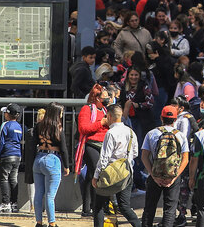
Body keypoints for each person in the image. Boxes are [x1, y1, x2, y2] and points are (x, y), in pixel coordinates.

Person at [141, 105, 190, 227]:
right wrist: (174, 177)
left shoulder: (151, 134)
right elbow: (185, 159)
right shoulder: (181, 136)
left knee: (149, 208)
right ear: (175, 120)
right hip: (173, 176)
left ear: (161, 118)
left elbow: (144, 157)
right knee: (170, 210)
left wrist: (153, 175)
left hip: (155, 175)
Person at [23, 103, 70, 227]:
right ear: (56, 113)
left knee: (38, 193)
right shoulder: (58, 127)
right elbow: (64, 149)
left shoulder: (39, 125)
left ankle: (38, 222)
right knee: (50, 196)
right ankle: (52, 223)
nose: (61, 114)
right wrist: (67, 166)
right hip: (52, 159)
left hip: (38, 160)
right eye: (61, 112)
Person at [91, 105, 139, 227]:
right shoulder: (131, 132)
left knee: (98, 206)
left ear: (110, 116)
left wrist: (96, 176)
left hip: (110, 174)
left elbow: (104, 157)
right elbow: (135, 153)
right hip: (127, 173)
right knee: (124, 207)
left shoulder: (110, 133)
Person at [76, 84, 110, 217]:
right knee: (96, 173)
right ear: (96, 98)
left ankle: (90, 207)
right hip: (91, 144)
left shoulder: (106, 110)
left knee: (92, 176)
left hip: (105, 146)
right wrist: (101, 123)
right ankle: (95, 207)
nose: (107, 99)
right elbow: (83, 128)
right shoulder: (87, 109)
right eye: (105, 97)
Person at [0, 103, 24, 213]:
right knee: (13, 179)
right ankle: (14, 204)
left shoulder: (5, 125)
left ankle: (5, 203)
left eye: (5, 112)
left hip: (6, 155)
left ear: (8, 114)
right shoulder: (19, 126)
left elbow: (0, 142)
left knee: (3, 178)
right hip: (17, 156)